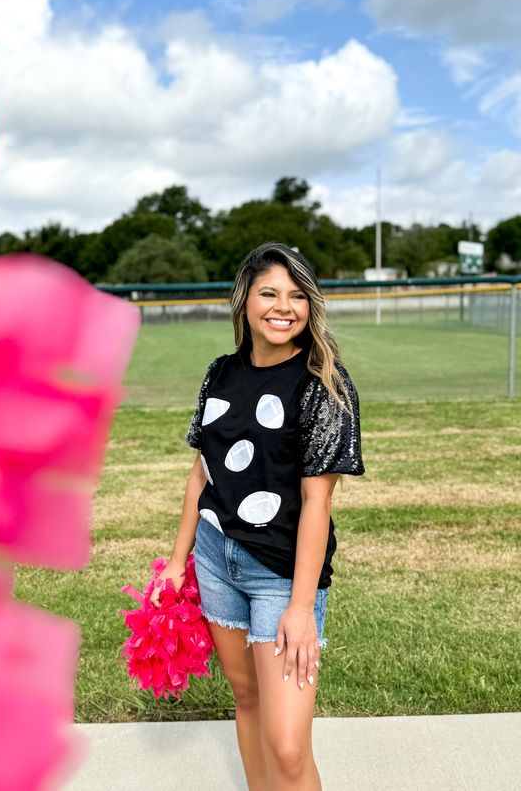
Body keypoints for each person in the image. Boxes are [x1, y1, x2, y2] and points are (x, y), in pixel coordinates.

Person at [149, 242, 365, 791]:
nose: (283, 306)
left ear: (310, 307)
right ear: (244, 300)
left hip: (281, 573)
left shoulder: (323, 384)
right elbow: (202, 475)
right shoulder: (219, 374)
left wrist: (299, 606)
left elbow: (319, 503)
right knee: (246, 700)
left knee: (288, 746)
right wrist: (178, 563)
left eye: (296, 296)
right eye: (269, 292)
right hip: (216, 558)